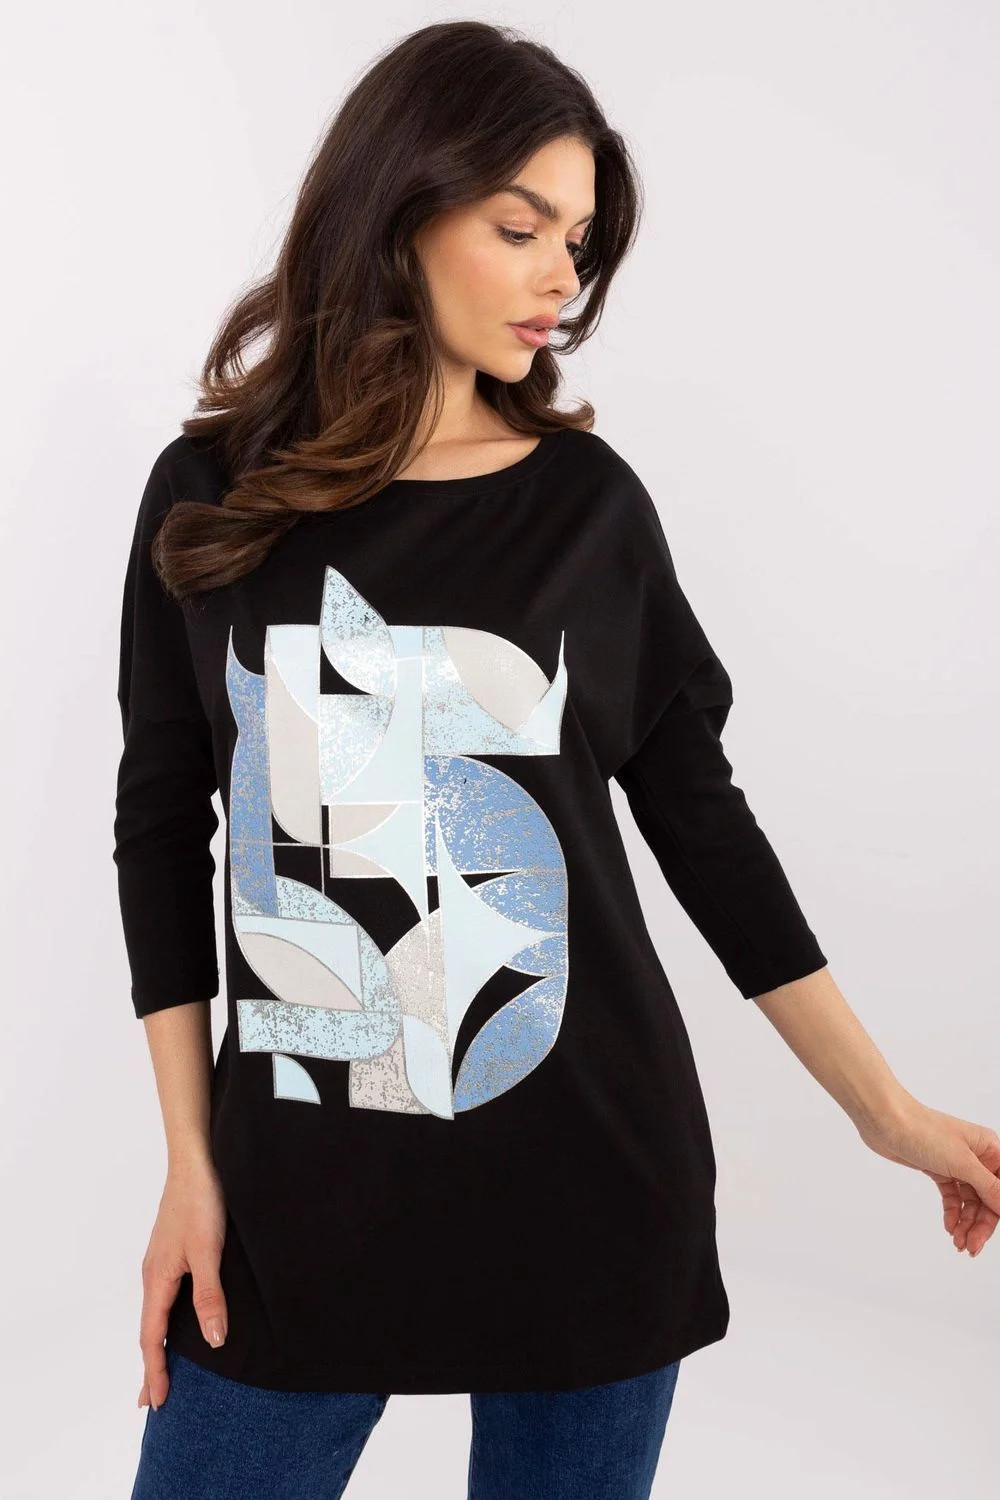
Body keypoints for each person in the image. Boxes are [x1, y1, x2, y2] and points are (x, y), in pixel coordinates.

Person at [114, 20, 1000, 1500]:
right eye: (519, 229)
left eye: (578, 243)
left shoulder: (588, 507)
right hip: (295, 1196)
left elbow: (704, 825)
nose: (561, 282)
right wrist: (188, 1164)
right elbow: (159, 826)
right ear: (396, 213)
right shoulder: (214, 493)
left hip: (590, 1186)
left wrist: (887, 1113)